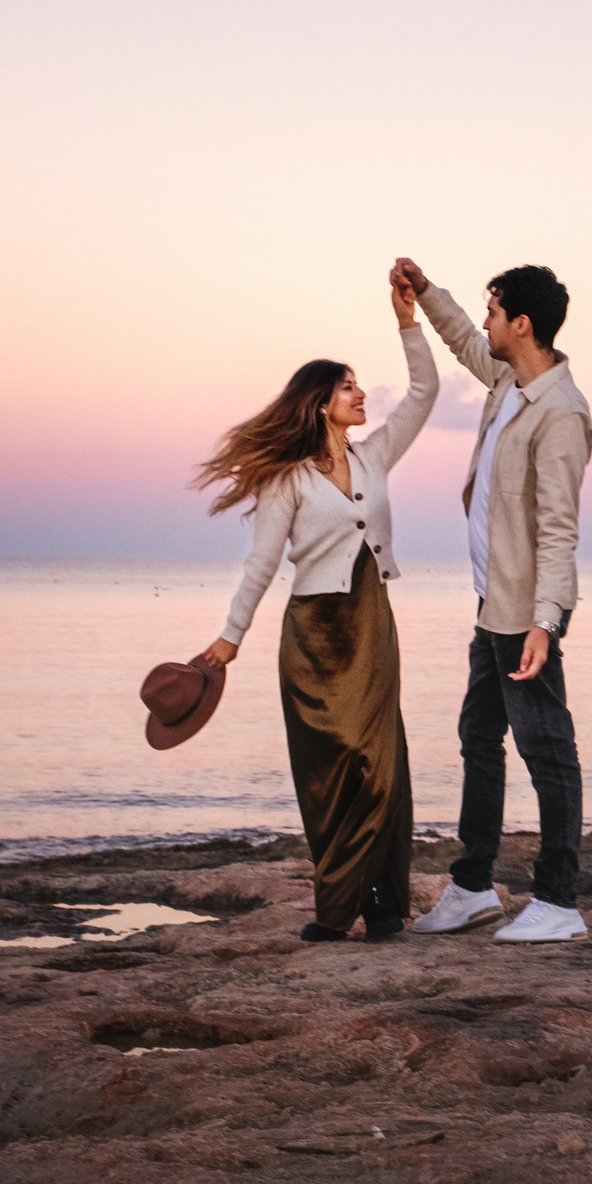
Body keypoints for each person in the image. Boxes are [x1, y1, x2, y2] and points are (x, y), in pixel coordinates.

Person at [192, 270, 438, 942]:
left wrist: (408, 321)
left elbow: (425, 391)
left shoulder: (378, 455)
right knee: (330, 776)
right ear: (320, 401)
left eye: (360, 385)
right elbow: (262, 564)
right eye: (348, 386)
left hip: (371, 624)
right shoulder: (287, 479)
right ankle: (338, 908)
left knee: (383, 767)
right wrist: (229, 637)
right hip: (313, 636)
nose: (362, 394)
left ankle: (386, 904)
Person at [389, 258, 592, 944]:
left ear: (523, 323)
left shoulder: (560, 413)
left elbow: (560, 527)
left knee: (548, 750)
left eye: (495, 310)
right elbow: (463, 341)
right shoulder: (510, 378)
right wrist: (423, 292)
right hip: (490, 603)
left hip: (522, 613)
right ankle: (474, 886)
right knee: (479, 735)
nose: (486, 322)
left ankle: (558, 900)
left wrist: (546, 622)